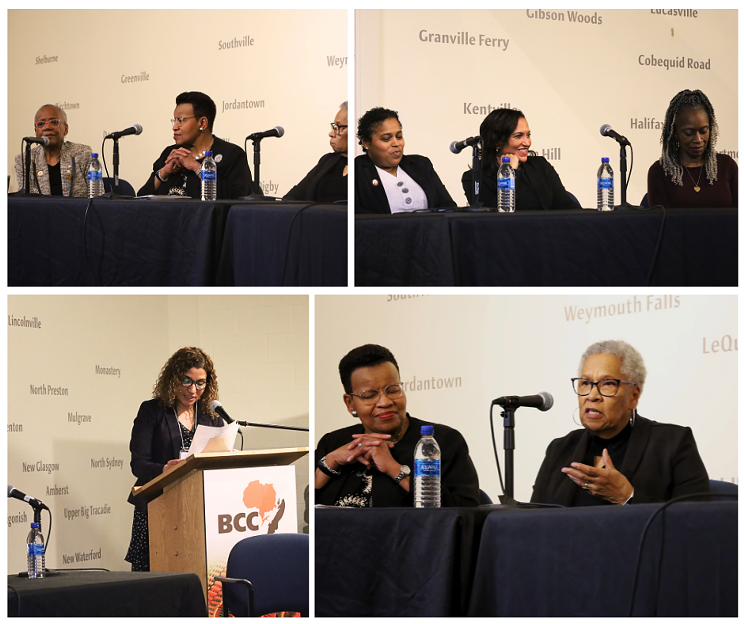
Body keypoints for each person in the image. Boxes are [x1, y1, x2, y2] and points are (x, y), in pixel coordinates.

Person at [531, 340, 709, 506]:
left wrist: (627, 497)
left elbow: (696, 525)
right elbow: (535, 522)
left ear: (634, 396)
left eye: (607, 383)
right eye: (585, 383)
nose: (592, 395)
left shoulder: (672, 443)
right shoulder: (560, 449)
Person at [315, 344, 480, 507]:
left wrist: (395, 469)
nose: (385, 402)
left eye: (392, 390)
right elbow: (307, 514)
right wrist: (328, 463)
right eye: (369, 395)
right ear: (350, 403)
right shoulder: (332, 443)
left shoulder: (442, 442)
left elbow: (465, 513)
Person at [125, 347, 225, 571]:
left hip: (199, 509)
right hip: (157, 506)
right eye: (186, 381)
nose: (193, 390)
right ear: (172, 380)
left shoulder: (212, 417)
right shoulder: (153, 411)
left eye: (200, 383)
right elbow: (138, 463)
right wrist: (164, 469)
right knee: (153, 579)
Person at [137, 91, 251, 199]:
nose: (175, 127)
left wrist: (196, 167)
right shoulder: (170, 153)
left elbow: (238, 199)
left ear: (202, 123)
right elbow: (141, 199)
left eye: (181, 120)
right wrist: (163, 173)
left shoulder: (231, 154)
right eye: (175, 121)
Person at [461, 108, 577, 210]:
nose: (527, 142)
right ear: (497, 141)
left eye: (528, 135)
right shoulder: (474, 178)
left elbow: (567, 206)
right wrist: (510, 173)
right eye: (518, 136)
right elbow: (493, 218)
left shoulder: (540, 166)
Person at [647, 89, 738, 208]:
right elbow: (659, 224)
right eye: (689, 133)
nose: (698, 139)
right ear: (675, 133)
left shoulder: (727, 166)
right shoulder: (659, 172)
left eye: (703, 131)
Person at [355, 107, 456, 214]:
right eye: (386, 139)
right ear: (366, 142)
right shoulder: (356, 171)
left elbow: (448, 206)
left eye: (399, 137)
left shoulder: (421, 164)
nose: (396, 143)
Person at [13, 104, 91, 197]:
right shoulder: (25, 160)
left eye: (54, 122)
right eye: (41, 124)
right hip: (40, 211)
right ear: (36, 131)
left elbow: (97, 196)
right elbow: (24, 202)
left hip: (77, 211)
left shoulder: (82, 153)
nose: (47, 127)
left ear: (65, 129)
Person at [283, 101, 348, 202]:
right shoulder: (327, 161)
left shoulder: (370, 167)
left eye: (339, 127)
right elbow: (292, 197)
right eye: (333, 127)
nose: (331, 133)